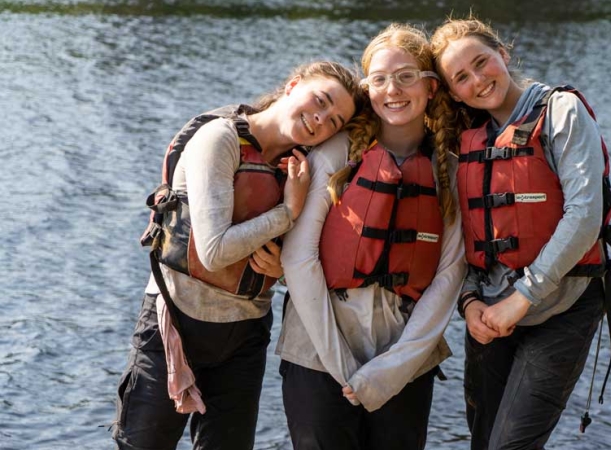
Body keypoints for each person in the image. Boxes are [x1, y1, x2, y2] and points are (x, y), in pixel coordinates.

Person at [112, 61, 362, 450]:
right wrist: (287, 213)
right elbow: (213, 252)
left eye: (334, 120)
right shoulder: (220, 139)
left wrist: (281, 270)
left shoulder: (301, 170)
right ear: (293, 84)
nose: (321, 118)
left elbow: (302, 258)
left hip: (244, 335)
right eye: (321, 100)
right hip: (176, 322)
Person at [270, 23, 466, 450]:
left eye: (406, 76)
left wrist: (393, 369)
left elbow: (449, 275)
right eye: (379, 79)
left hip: (405, 359)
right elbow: (299, 259)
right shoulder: (335, 154)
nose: (392, 90)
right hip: (318, 352)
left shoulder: (447, 170)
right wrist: (341, 365)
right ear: (367, 89)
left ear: (431, 87)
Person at [430, 17, 611, 450]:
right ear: (452, 91)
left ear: (504, 53)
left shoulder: (560, 111)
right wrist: (470, 300)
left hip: (563, 304)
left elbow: (585, 215)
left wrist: (522, 299)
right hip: (492, 313)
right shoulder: (466, 139)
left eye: (483, 62)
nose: (478, 80)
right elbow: (463, 236)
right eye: (461, 77)